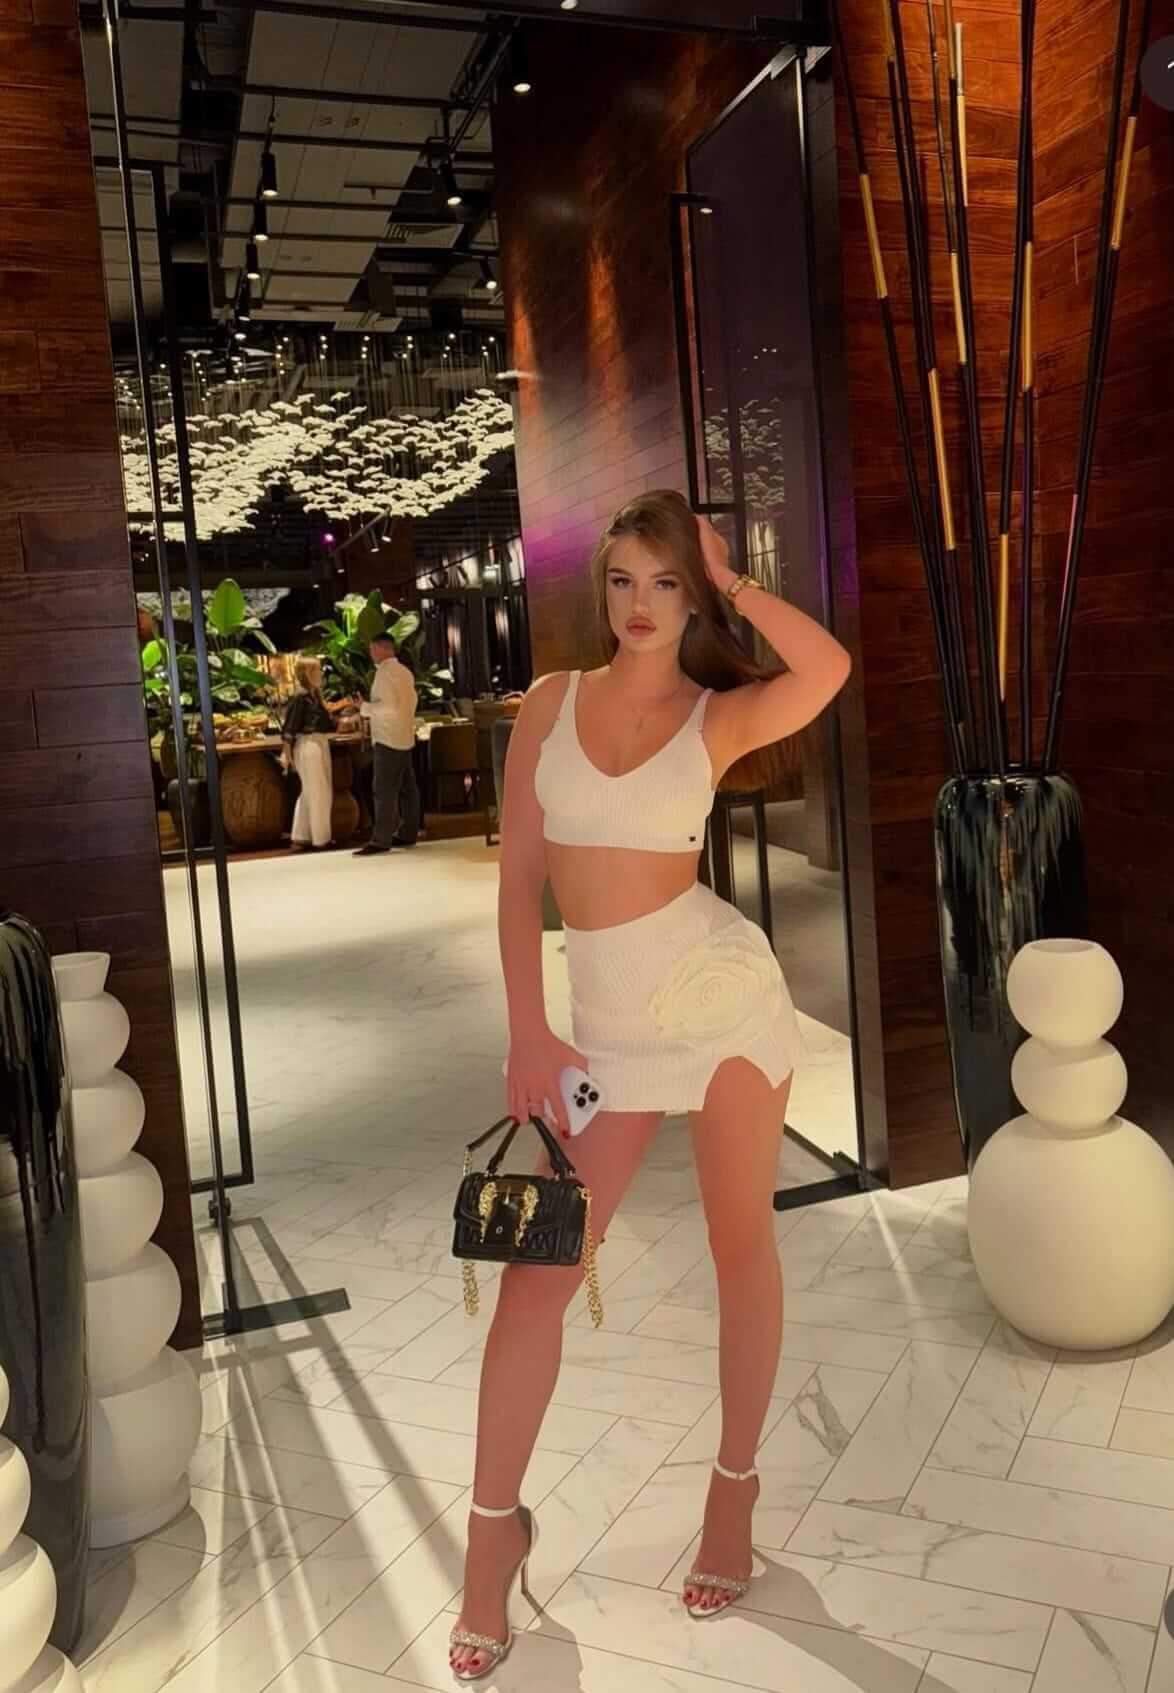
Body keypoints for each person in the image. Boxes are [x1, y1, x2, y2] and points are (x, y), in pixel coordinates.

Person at [448, 490, 851, 1680]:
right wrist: (529, 1030)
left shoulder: (712, 717)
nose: (641, 604)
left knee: (740, 1245)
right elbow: (519, 876)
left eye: (665, 582)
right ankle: (491, 1536)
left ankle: (733, 1490)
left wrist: (734, 579)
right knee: (536, 1278)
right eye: (623, 579)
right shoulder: (548, 704)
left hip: (720, 1005)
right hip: (599, 1043)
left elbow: (827, 667)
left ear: (692, 593)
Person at [355, 632, 420, 856]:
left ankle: (381, 839)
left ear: (381, 648)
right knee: (407, 789)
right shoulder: (405, 672)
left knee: (383, 789)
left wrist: (365, 708)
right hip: (405, 735)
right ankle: (408, 832)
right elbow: (411, 702)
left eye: (372, 648)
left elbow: (387, 707)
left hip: (388, 738)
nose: (371, 653)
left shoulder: (384, 674)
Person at [280, 657, 335, 852]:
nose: (320, 674)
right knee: (318, 791)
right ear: (307, 674)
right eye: (316, 671)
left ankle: (302, 834)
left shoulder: (316, 697)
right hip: (308, 744)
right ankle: (321, 838)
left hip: (320, 742)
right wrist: (287, 755)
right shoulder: (300, 698)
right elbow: (289, 730)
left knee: (312, 790)